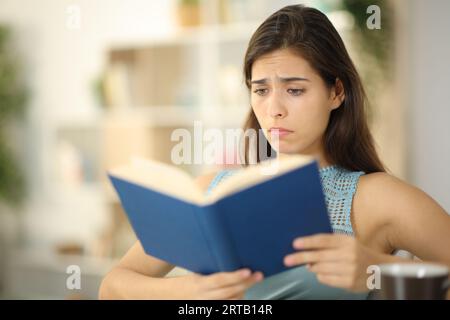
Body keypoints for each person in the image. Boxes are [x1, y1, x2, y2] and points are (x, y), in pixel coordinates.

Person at [99, 4, 450, 299]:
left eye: (294, 90)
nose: (274, 109)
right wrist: (189, 290)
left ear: (336, 92)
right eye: (261, 90)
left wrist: (378, 272)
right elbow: (113, 287)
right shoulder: (212, 193)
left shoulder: (375, 199)